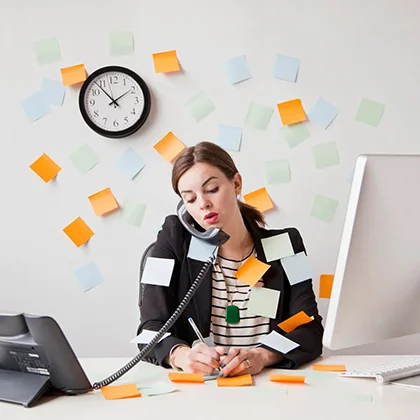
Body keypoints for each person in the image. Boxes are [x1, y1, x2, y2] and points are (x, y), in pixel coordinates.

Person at [137, 141, 323, 377]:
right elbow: (149, 329)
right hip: (200, 390)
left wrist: (262, 356)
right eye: (190, 199)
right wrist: (182, 356)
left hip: (267, 386)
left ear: (236, 184)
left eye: (212, 189)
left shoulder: (286, 244)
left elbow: (309, 327)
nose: (203, 203)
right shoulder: (173, 239)